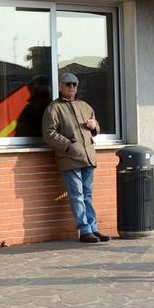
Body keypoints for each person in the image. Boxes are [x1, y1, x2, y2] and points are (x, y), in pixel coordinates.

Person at [42, 72, 108, 244]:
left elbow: (95, 127)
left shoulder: (85, 106)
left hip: (88, 157)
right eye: (68, 84)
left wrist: (95, 126)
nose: (71, 87)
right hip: (70, 159)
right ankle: (85, 231)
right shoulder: (54, 108)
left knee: (87, 195)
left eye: (74, 84)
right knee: (77, 195)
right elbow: (49, 133)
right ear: (61, 86)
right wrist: (68, 145)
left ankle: (93, 228)